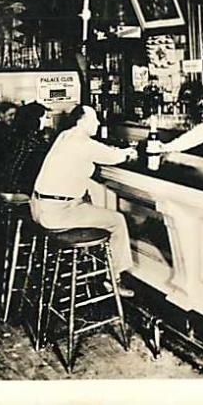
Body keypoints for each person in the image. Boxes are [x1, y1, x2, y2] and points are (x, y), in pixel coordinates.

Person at [30, 105, 138, 297]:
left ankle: (93, 266)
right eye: (94, 119)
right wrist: (129, 152)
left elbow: (93, 154)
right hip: (58, 213)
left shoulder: (65, 136)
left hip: (39, 207)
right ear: (82, 121)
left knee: (88, 202)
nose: (97, 123)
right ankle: (113, 279)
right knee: (117, 220)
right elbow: (114, 156)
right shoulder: (82, 143)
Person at [4, 102, 51, 195]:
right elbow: (17, 167)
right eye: (45, 117)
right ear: (36, 119)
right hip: (22, 191)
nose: (47, 121)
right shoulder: (29, 142)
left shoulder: (20, 136)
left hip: (17, 189)